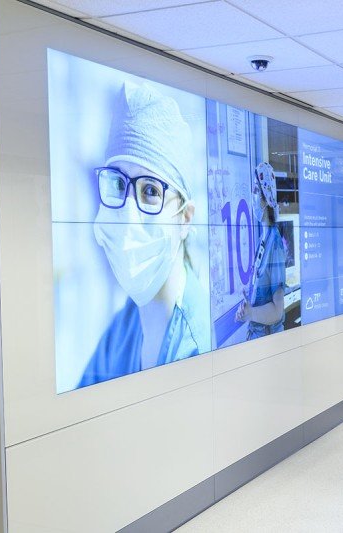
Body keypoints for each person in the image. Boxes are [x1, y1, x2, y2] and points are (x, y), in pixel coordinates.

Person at [79, 83, 210, 388]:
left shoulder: (196, 345)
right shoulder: (125, 326)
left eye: (150, 190)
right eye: (118, 185)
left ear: (185, 219)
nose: (127, 213)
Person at [235, 162, 286, 339]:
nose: (253, 197)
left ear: (266, 198)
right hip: (257, 335)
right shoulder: (263, 239)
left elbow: (278, 310)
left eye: (256, 191)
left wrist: (252, 314)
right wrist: (248, 308)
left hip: (269, 339)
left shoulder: (275, 243)